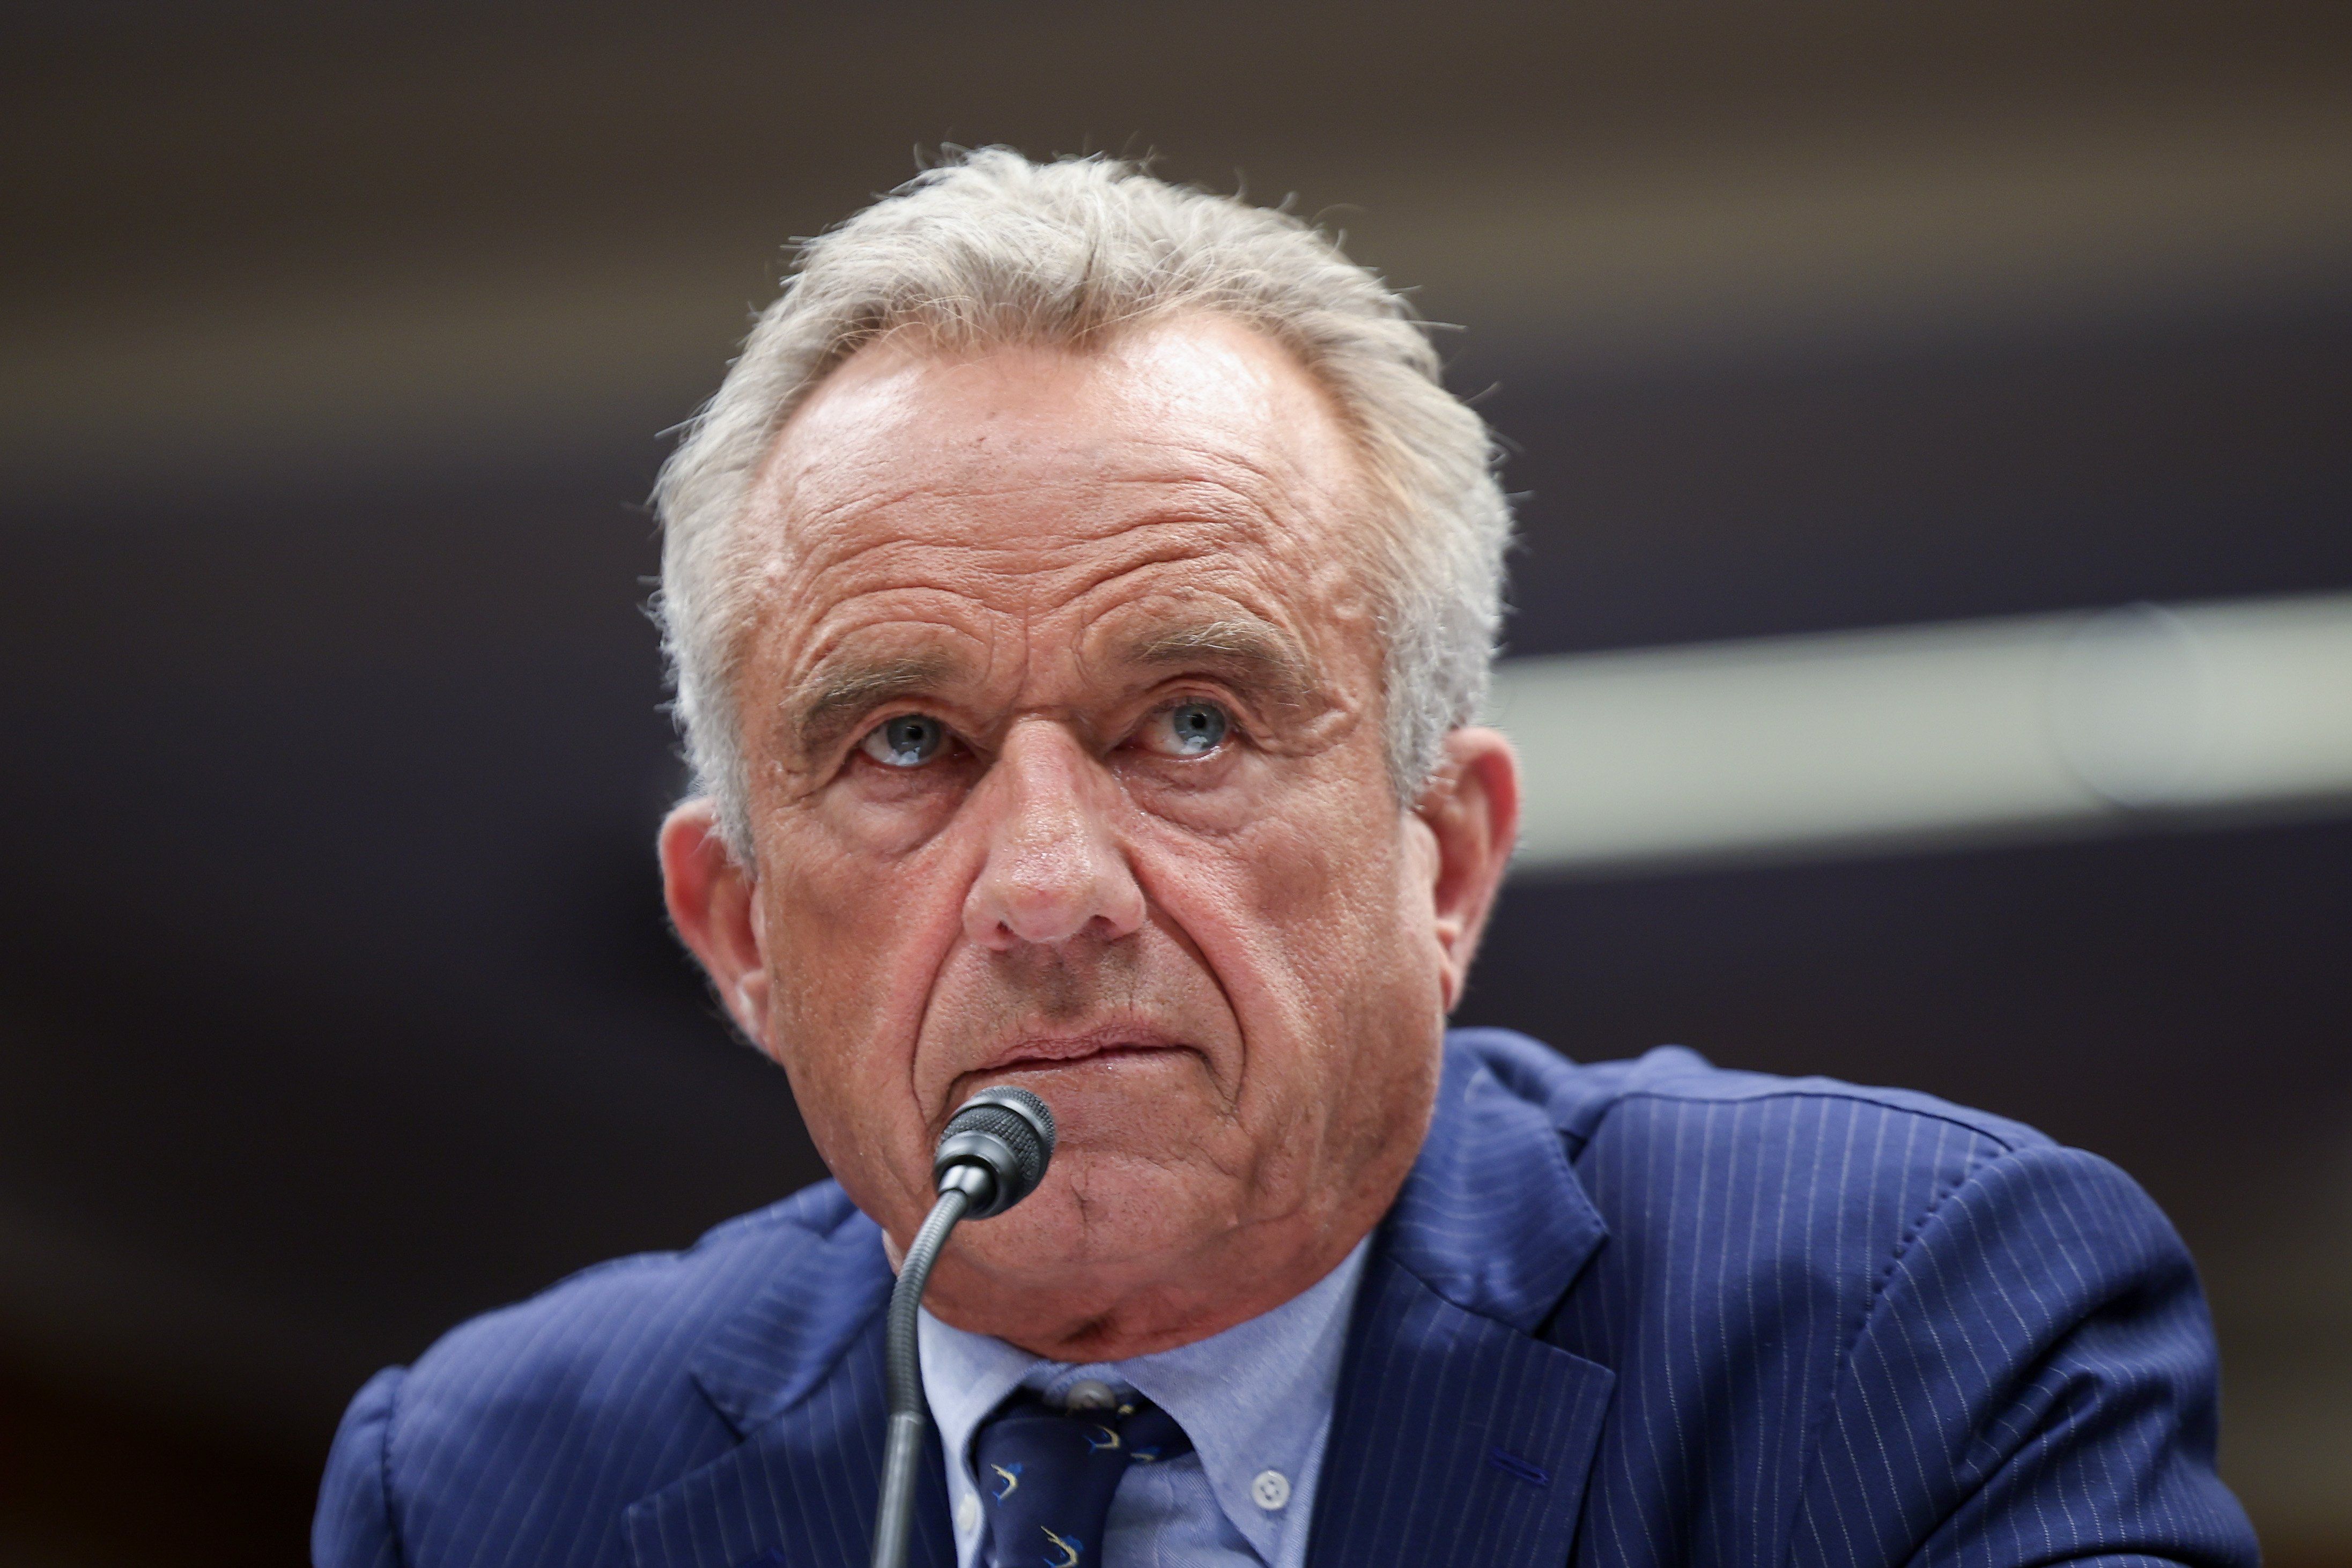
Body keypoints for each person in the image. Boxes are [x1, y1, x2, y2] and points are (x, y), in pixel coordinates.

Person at [314, 150, 2257, 1568]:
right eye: (906, 743)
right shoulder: (487, 1489)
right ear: (737, 932)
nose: (1049, 889)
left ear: (1445, 860)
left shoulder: (1898, 1326)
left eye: (1190, 724)